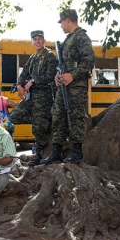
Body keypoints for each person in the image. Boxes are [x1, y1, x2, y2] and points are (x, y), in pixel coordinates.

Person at [40, 9, 95, 165]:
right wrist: (58, 75)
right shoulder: (67, 40)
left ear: (68, 20)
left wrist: (73, 75)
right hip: (63, 86)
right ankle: (56, 152)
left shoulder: (82, 37)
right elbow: (62, 64)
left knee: (75, 116)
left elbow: (89, 62)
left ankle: (77, 152)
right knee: (58, 115)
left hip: (76, 86)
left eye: (62, 22)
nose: (61, 26)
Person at [9, 30, 58, 166]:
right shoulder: (32, 58)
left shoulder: (50, 57)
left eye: (39, 39)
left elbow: (50, 76)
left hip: (44, 98)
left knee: (39, 128)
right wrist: (19, 85)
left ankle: (40, 155)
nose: (37, 41)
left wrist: (33, 81)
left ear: (44, 41)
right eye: (34, 39)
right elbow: (24, 72)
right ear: (32, 42)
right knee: (13, 117)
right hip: (31, 98)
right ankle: (42, 122)